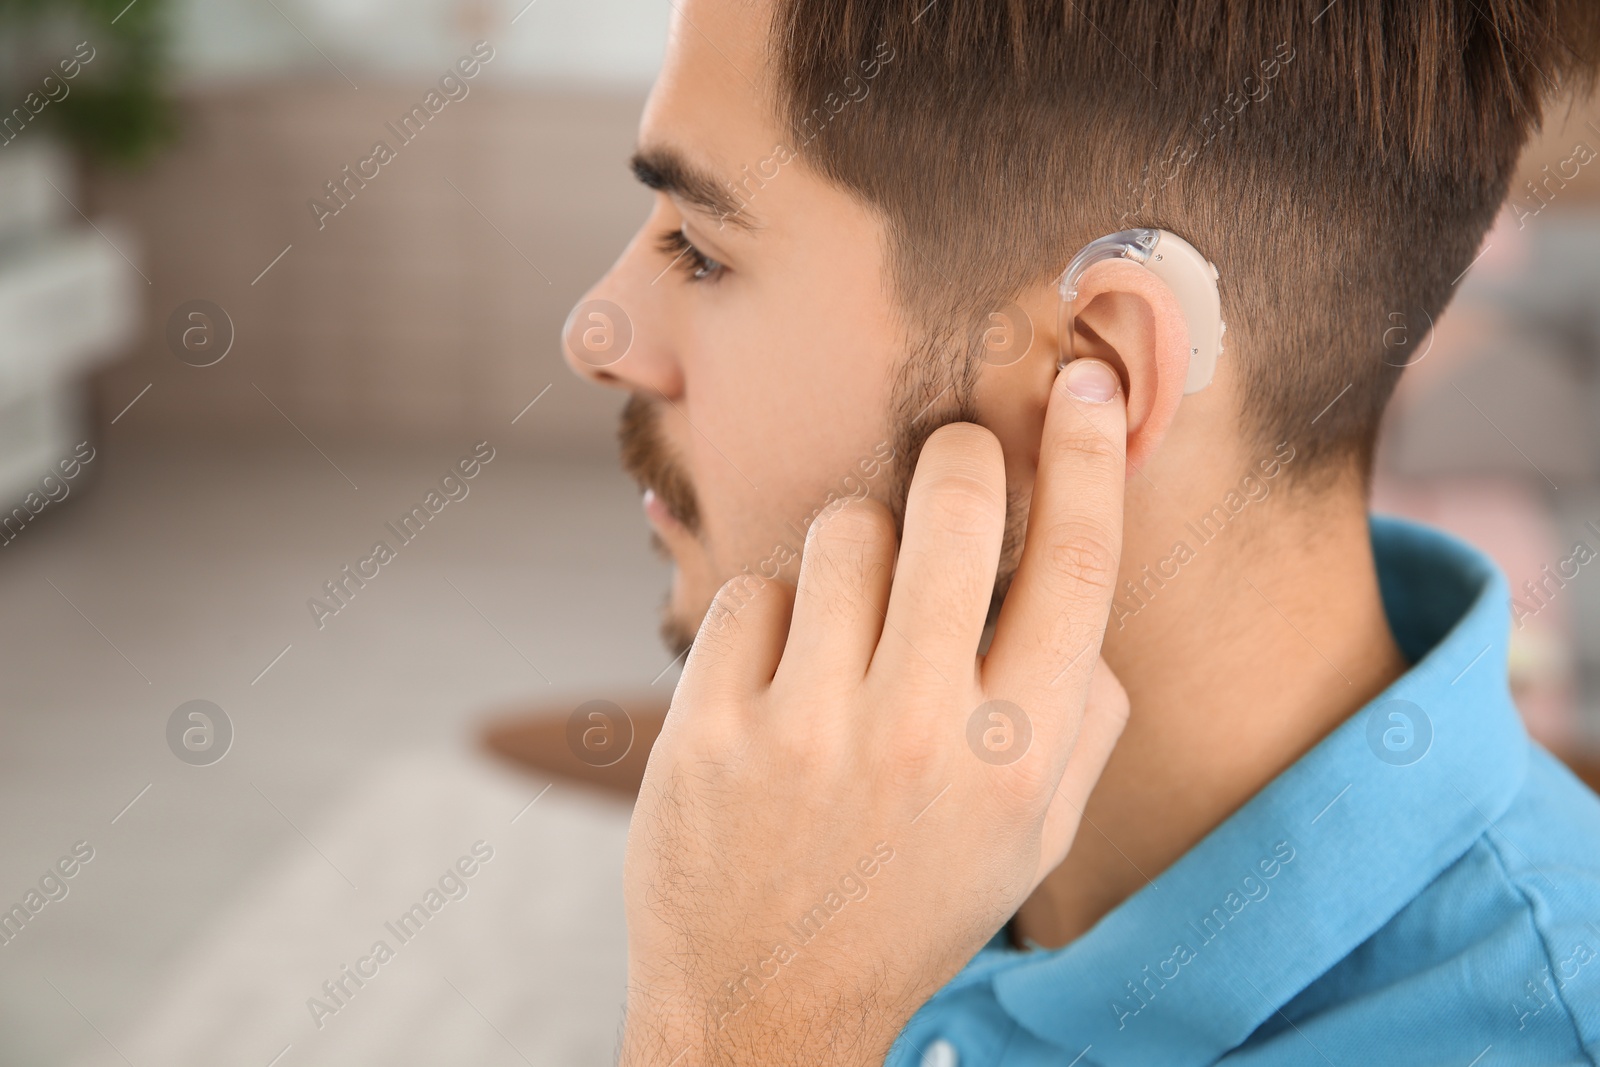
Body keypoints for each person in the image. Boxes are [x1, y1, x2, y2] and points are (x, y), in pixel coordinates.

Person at [558, 1, 1600, 1063]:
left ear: (1094, 369)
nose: (598, 333)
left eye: (699, 248)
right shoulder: (832, 843)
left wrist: (739, 1028)